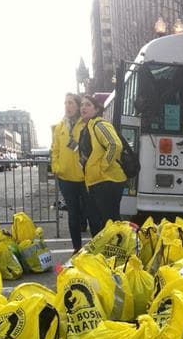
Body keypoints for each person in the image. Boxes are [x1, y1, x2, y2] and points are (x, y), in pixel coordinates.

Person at [78, 93, 127, 235]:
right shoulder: (87, 128)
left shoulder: (100, 124)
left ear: (96, 109)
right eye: (82, 105)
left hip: (108, 181)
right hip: (97, 182)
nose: (83, 107)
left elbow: (115, 144)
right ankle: (104, 253)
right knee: (99, 222)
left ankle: (116, 252)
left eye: (88, 105)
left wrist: (102, 167)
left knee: (110, 223)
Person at [50, 93, 88, 253]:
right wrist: (56, 167)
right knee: (72, 214)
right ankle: (76, 248)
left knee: (88, 212)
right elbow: (55, 149)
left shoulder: (86, 124)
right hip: (66, 178)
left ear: (78, 105)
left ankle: (95, 248)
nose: (67, 106)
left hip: (85, 177)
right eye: (65, 103)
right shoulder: (59, 127)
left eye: (71, 103)